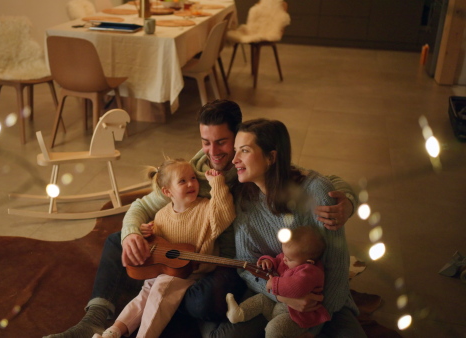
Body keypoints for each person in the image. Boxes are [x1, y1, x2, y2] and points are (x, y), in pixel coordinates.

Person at [45, 100, 357, 338]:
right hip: (190, 251)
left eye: (223, 142)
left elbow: (318, 181)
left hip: (222, 263)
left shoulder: (253, 172)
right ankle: (96, 319)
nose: (214, 153)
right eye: (205, 142)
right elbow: (143, 205)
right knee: (118, 240)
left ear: (239, 138)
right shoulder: (194, 171)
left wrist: (348, 202)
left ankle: (165, 307)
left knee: (200, 302)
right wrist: (131, 235)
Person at [209, 118, 364, 337]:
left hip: (323, 302)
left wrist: (310, 323)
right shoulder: (244, 200)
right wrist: (282, 296)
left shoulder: (315, 191)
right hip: (273, 296)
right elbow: (247, 266)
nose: (234, 159)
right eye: (235, 150)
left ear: (271, 157)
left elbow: (337, 271)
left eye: (244, 150)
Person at [94, 158, 235, 338]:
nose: (191, 183)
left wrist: (217, 183)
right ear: (167, 191)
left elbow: (225, 213)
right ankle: (113, 331)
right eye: (182, 181)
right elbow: (159, 246)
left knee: (161, 287)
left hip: (191, 273)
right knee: (145, 293)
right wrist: (144, 232)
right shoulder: (161, 216)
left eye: (193, 178)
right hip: (165, 271)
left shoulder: (206, 208)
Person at [225, 226, 330, 338]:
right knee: (261, 299)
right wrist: (268, 261)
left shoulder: (311, 271)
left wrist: (274, 283)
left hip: (295, 317)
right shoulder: (292, 258)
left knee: (274, 328)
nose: (284, 259)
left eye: (289, 259)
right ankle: (239, 313)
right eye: (284, 254)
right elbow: (278, 259)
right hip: (278, 307)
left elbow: (296, 287)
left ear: (308, 262)